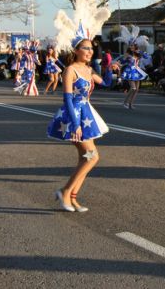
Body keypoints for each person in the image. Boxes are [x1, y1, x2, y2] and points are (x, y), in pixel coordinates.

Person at [48, 38, 109, 212]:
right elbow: (67, 98)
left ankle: (72, 197)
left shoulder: (89, 69)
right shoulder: (70, 70)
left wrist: (109, 70)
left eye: (91, 49)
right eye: (86, 48)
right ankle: (65, 191)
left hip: (86, 113)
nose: (90, 51)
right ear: (76, 50)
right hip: (73, 115)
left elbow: (106, 83)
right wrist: (75, 125)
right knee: (92, 156)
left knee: (85, 158)